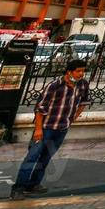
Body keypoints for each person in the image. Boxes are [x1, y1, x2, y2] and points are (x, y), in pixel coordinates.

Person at [9, 59, 92, 200]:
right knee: (32, 157)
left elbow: (84, 101)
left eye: (83, 71)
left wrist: (73, 117)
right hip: (46, 128)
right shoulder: (54, 86)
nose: (81, 74)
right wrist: (38, 130)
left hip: (62, 128)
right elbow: (40, 109)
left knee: (46, 157)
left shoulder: (82, 85)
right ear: (69, 71)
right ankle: (18, 188)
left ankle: (34, 184)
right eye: (78, 71)